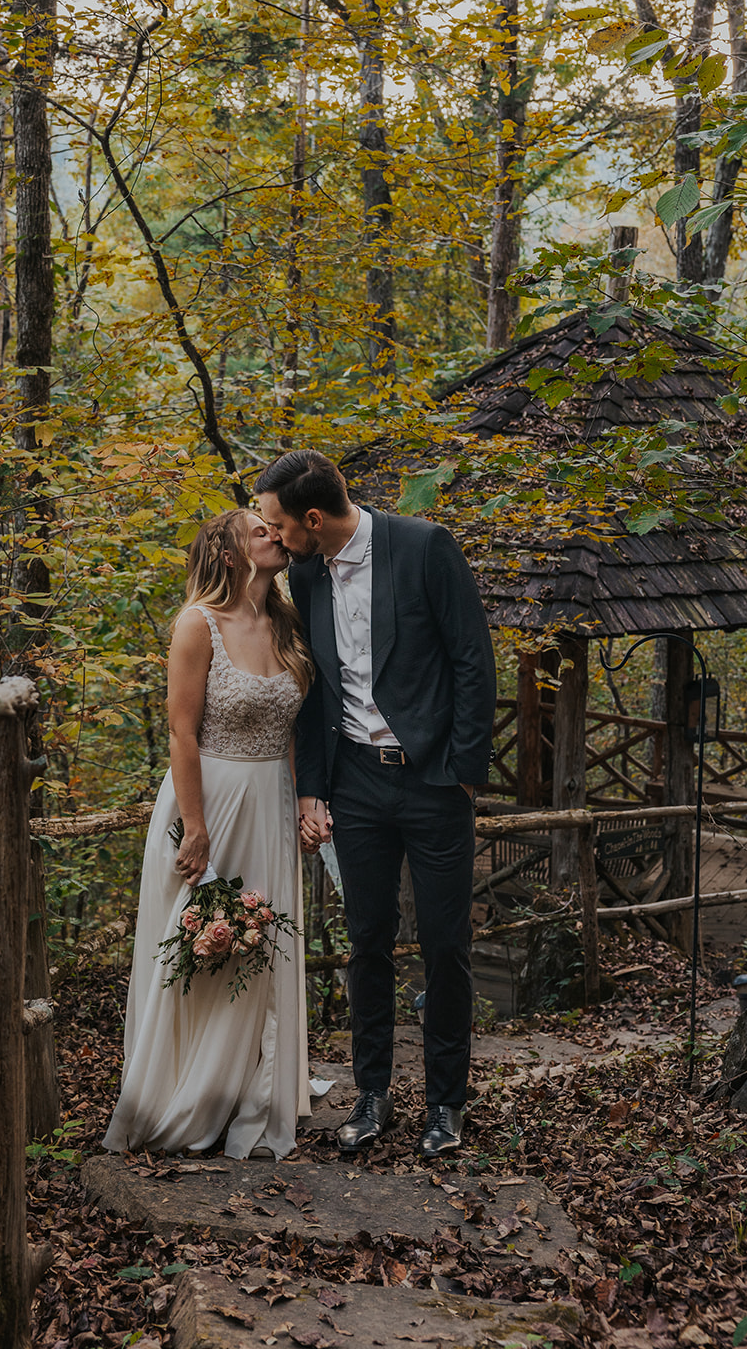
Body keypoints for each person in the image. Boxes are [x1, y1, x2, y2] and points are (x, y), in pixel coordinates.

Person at [257, 450, 496, 1159]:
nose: (269, 535)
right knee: (367, 942)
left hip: (431, 782)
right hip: (354, 783)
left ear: (311, 518)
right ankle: (371, 1094)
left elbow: (471, 660)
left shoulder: (423, 546)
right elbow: (314, 688)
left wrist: (462, 771)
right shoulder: (304, 571)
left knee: (446, 945)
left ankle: (446, 1103)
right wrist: (312, 787)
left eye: (274, 522)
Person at [104, 509, 316, 1159]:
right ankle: (183, 1095)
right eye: (260, 531)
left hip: (272, 805)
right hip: (209, 801)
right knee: (199, 949)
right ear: (227, 554)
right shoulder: (197, 624)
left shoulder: (287, 623)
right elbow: (182, 732)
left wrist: (304, 804)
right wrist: (193, 828)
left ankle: (251, 1092)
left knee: (262, 947)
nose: (275, 536)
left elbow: (292, 732)